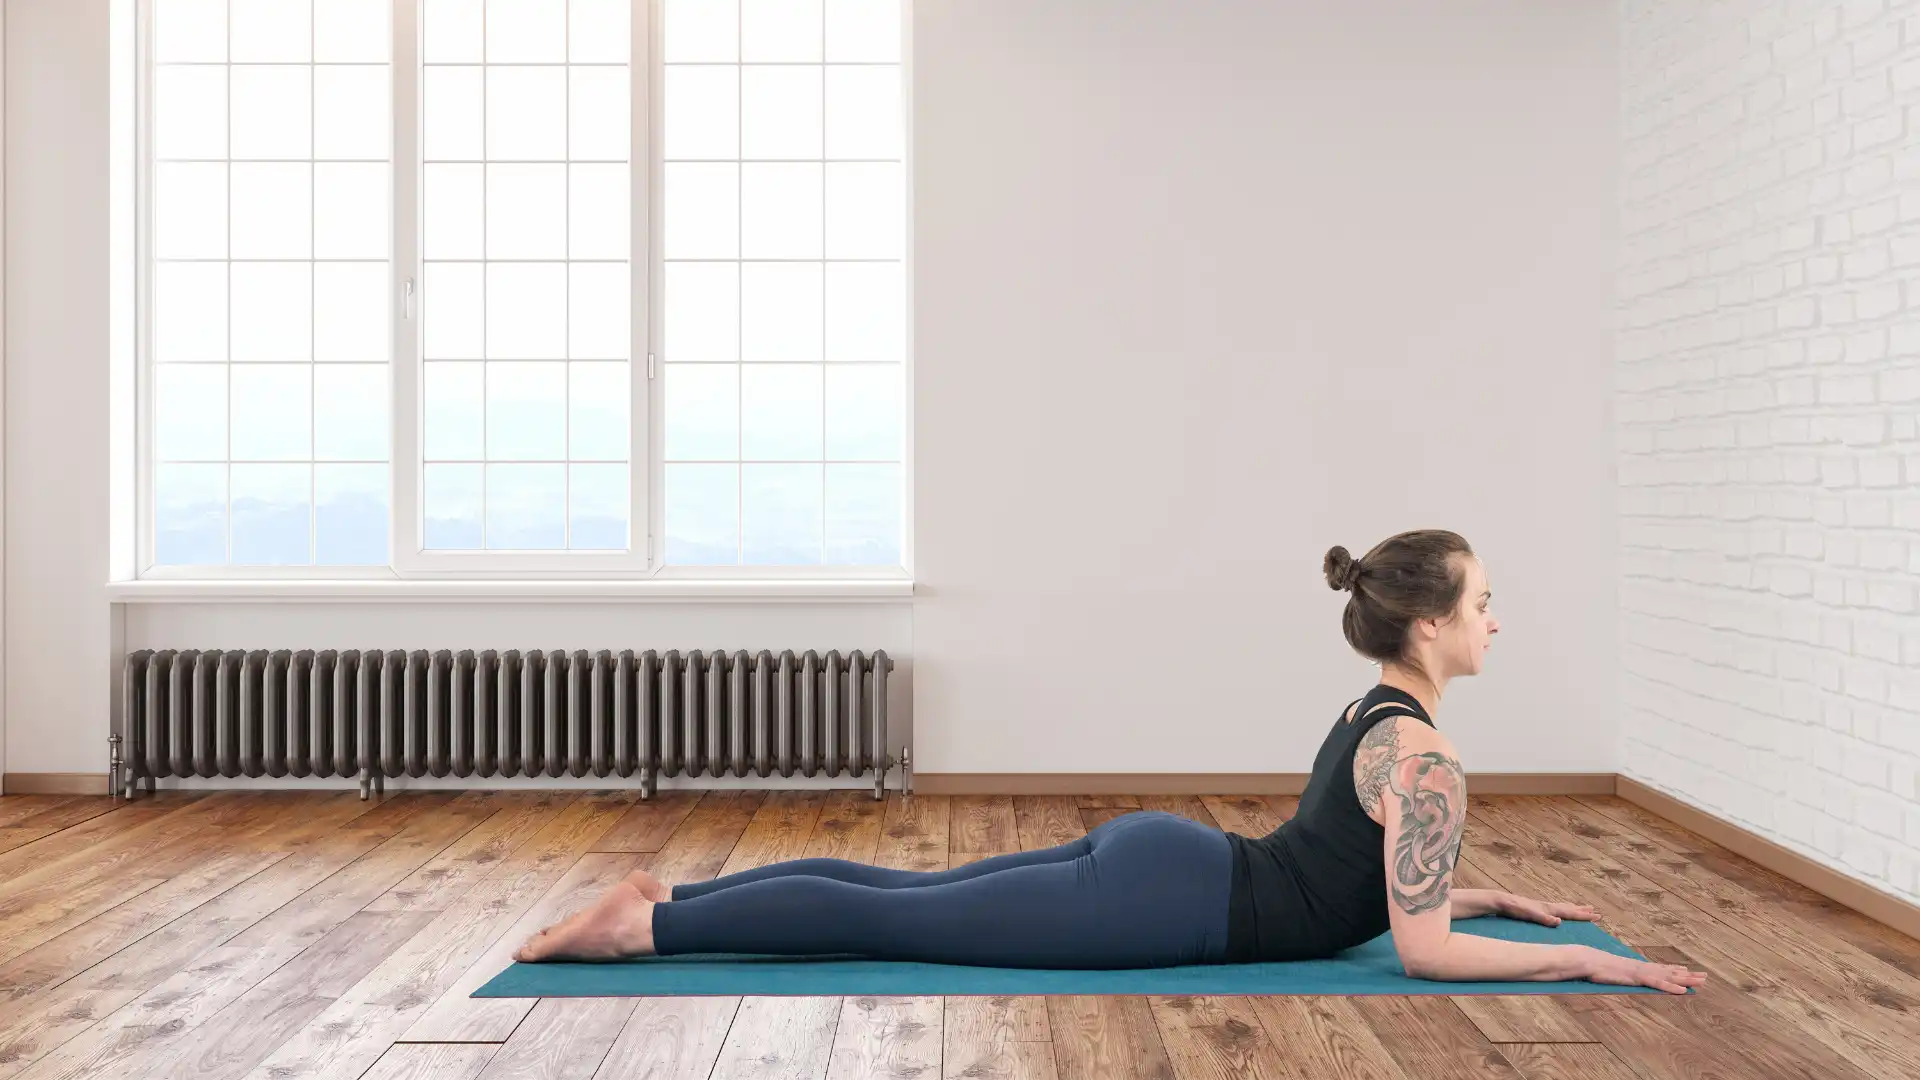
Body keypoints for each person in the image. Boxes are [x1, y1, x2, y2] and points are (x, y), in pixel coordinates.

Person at [516, 529, 1707, 994]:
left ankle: (676, 894)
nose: (1500, 620)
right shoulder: (1430, 760)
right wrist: (1594, 973)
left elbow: (1346, 869)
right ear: (1433, 625)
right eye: (1488, 603)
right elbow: (1420, 947)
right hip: (1172, 899)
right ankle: (647, 930)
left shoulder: (1375, 715)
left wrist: (1491, 892)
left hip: (1171, 864)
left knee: (912, 898)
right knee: (905, 924)